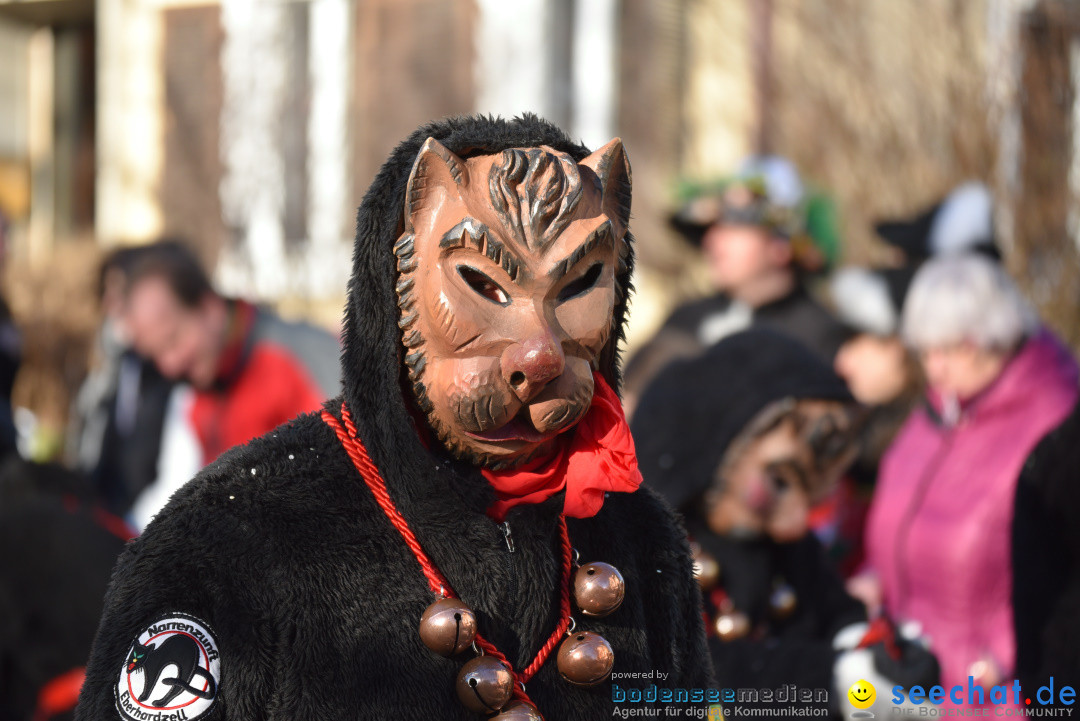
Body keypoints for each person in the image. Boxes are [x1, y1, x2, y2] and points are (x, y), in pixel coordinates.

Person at [76, 115, 713, 720]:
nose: (540, 353)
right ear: (394, 283)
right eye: (482, 284)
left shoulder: (640, 539)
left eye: (578, 287)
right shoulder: (224, 546)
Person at [632, 329, 938, 719]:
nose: (793, 524)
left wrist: (880, 654)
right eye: (778, 481)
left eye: (810, 498)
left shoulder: (785, 550)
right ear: (721, 445)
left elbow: (834, 611)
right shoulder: (637, 549)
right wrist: (831, 679)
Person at [853, 254, 1078, 698]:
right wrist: (872, 579)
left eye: (955, 349)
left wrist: (1008, 650)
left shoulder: (1056, 424)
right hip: (910, 676)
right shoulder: (936, 412)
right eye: (926, 351)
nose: (935, 369)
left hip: (997, 689)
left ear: (999, 338)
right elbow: (896, 519)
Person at [623, 157, 848, 413]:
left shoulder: (823, 340)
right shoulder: (686, 317)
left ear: (781, 246)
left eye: (734, 224)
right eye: (713, 227)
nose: (712, 241)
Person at [68, 245, 177, 519]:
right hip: (104, 512)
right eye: (107, 291)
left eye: (120, 292)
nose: (109, 303)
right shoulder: (109, 360)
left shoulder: (169, 366)